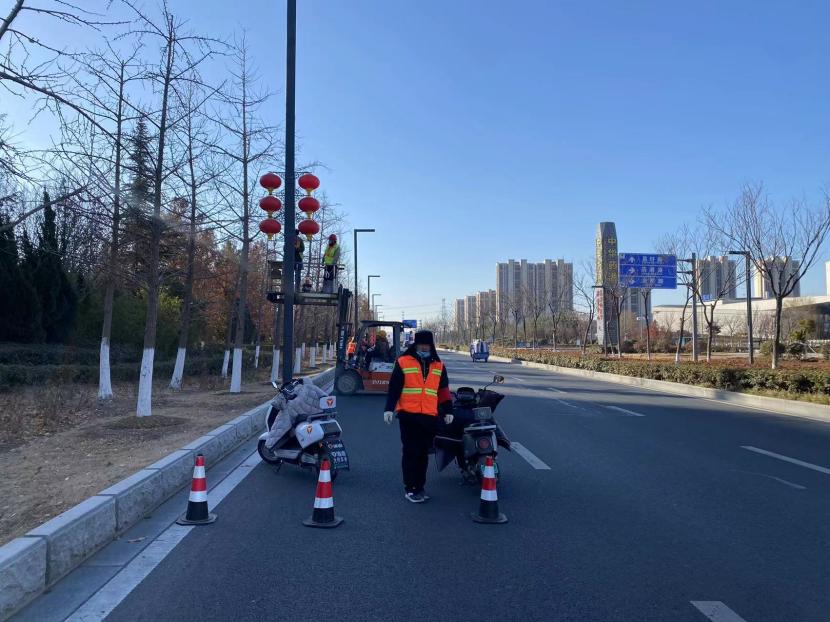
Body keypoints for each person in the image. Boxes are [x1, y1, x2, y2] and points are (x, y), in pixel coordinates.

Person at [384, 330, 453, 503]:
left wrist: (448, 410)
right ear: (415, 345)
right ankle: (410, 488)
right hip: (408, 415)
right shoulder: (403, 362)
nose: (424, 347)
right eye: (421, 344)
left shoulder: (439, 365)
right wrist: (389, 409)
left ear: (431, 346)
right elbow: (394, 388)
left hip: (429, 416)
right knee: (410, 452)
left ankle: (420, 487)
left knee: (423, 454)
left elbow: (443, 391)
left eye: (427, 345)